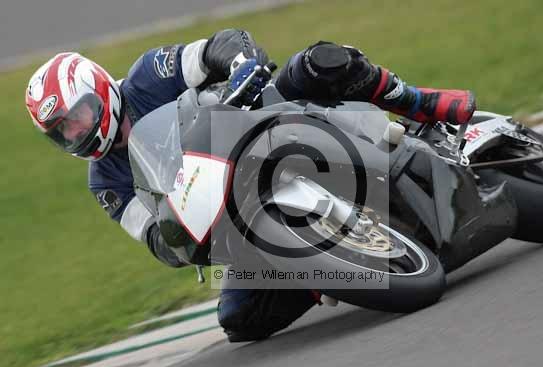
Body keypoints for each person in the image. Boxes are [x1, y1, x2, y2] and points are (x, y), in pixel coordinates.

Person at [25, 29, 475, 342]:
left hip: (261, 123)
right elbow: (155, 240)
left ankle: (418, 103)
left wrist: (241, 66)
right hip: (233, 213)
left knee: (318, 62)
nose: (76, 132)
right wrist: (176, 235)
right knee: (239, 318)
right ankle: (323, 272)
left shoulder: (148, 74)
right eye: (63, 130)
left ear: (99, 88)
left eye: (78, 116)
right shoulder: (104, 183)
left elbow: (219, 46)